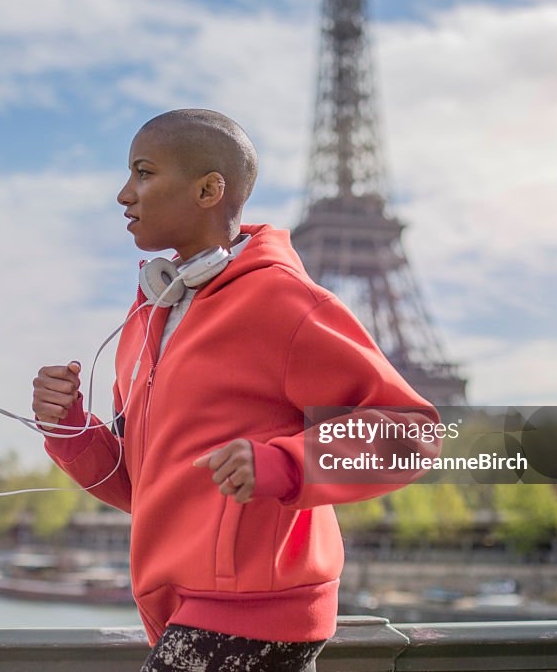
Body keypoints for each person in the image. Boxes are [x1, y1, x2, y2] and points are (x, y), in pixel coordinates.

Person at [32, 109, 440, 671]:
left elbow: (413, 435)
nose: (125, 194)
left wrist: (282, 464)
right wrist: (70, 427)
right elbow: (142, 488)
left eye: (145, 173)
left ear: (209, 189)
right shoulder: (147, 317)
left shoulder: (283, 302)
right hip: (180, 607)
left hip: (253, 608)